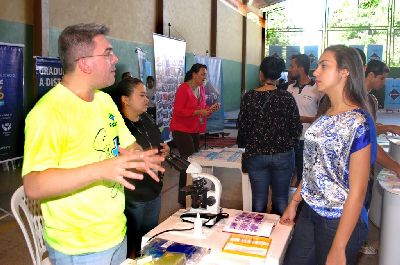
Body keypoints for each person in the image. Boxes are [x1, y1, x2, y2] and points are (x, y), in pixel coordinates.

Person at [22, 23, 164, 265]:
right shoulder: (48, 112)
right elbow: (33, 186)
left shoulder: (104, 101)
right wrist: (101, 169)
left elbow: (129, 146)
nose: (115, 59)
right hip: (80, 248)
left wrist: (141, 157)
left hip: (116, 233)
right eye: (108, 53)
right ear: (84, 63)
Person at [281, 45, 377, 265]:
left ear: (345, 72)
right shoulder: (325, 115)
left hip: (339, 220)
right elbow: (314, 167)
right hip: (310, 211)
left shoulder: (358, 122)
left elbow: (359, 189)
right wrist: (294, 202)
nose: (316, 72)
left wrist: (339, 246)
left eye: (324, 66)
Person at [237, 56, 302, 215]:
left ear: (261, 74)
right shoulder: (287, 97)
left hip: (256, 155)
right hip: (283, 155)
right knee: (280, 200)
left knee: (258, 200)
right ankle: (278, 236)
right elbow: (296, 128)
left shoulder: (249, 97)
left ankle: (259, 234)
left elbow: (242, 127)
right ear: (279, 75)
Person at [114, 77, 170, 258]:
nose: (147, 99)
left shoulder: (146, 118)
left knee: (148, 238)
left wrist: (165, 150)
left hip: (153, 190)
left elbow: (157, 144)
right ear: (125, 99)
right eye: (141, 95)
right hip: (134, 196)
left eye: (146, 95)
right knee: (130, 242)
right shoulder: (118, 126)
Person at [170, 63, 219, 205]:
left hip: (194, 129)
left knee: (195, 161)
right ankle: (183, 197)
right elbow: (178, 111)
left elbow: (202, 109)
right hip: (181, 130)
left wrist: (210, 109)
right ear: (194, 74)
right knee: (188, 162)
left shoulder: (201, 89)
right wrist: (199, 112)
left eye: (206, 75)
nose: (205, 77)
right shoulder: (183, 88)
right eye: (203, 74)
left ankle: (194, 194)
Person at [287, 54, 324, 186]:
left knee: (306, 173)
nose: (290, 69)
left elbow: (324, 117)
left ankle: (302, 203)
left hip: (308, 139)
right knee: (289, 172)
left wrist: (304, 119)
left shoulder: (317, 88)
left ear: (301, 68)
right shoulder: (290, 88)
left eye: (292, 66)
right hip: (290, 138)